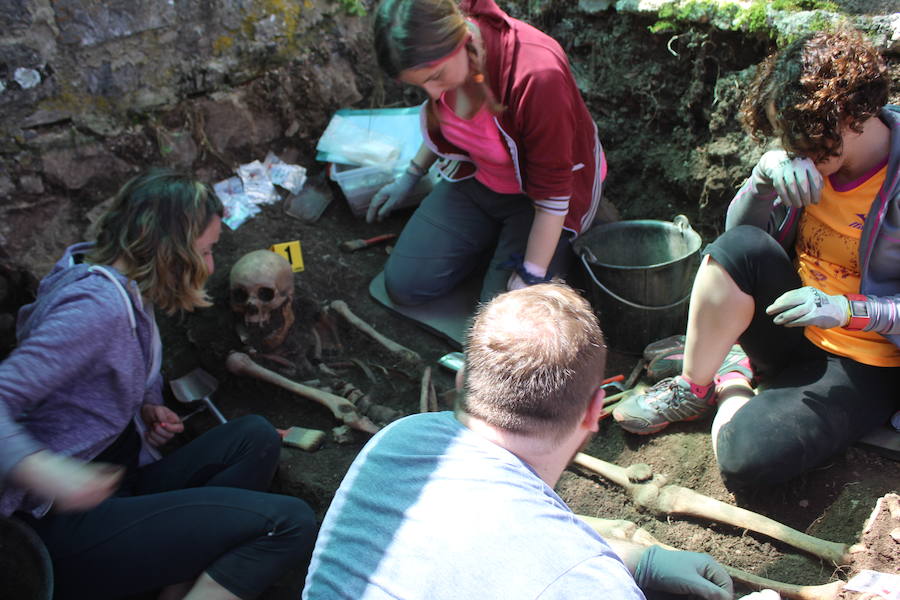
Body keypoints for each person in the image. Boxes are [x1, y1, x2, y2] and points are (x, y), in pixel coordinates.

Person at [302, 283, 733, 600]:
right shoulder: (590, 587)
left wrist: (636, 559)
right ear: (594, 409)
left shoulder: (399, 439)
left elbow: (479, 547)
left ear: (460, 381)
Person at [0, 170, 317, 600]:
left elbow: (104, 367)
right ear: (173, 249)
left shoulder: (120, 284)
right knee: (289, 523)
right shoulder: (96, 308)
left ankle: (176, 581)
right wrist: (49, 472)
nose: (210, 266)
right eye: (206, 251)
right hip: (58, 522)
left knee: (256, 436)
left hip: (115, 480)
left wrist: (146, 404)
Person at [613, 30, 900, 488]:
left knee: (745, 460)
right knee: (738, 248)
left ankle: (732, 373)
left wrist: (846, 309)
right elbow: (739, 241)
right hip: (791, 319)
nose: (791, 149)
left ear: (849, 116)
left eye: (797, 136)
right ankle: (693, 386)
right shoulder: (811, 161)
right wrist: (763, 176)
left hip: (869, 359)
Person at [367, 0, 607, 305]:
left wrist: (530, 274)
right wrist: (410, 176)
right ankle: (489, 245)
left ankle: (535, 255)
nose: (434, 94)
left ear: (464, 41)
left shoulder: (536, 76)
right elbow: (445, 124)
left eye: (435, 77)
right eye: (421, 86)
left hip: (540, 200)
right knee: (404, 285)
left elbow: (554, 193)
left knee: (502, 318)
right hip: (478, 177)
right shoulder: (445, 66)